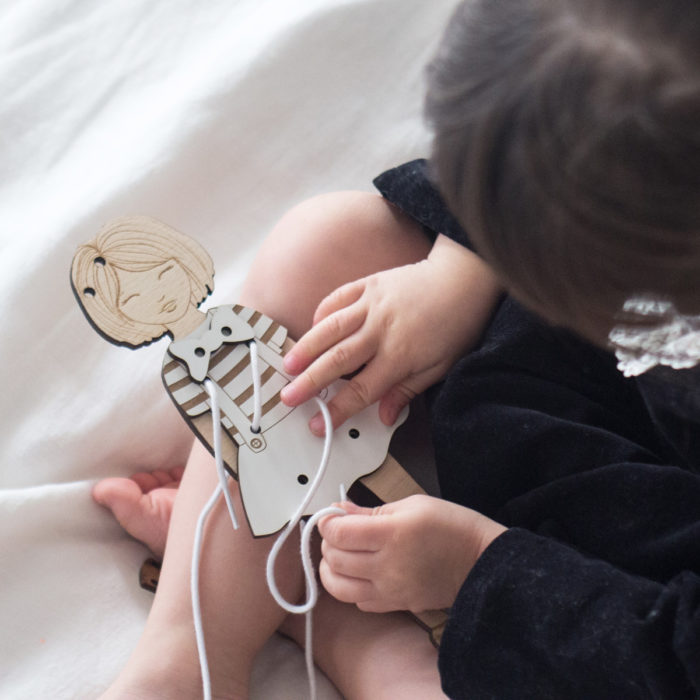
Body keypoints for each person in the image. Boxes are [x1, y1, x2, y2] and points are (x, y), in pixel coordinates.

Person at [92, 0, 700, 697]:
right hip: (572, 383)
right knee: (325, 250)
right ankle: (192, 649)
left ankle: (346, 633)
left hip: (628, 608)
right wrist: (463, 265)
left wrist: (476, 568)